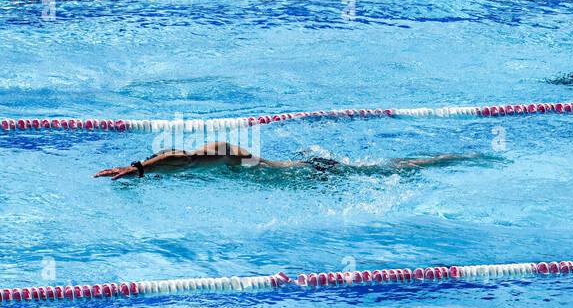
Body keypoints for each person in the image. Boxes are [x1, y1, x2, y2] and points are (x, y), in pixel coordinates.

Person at [94, 141, 483, 181]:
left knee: (389, 170)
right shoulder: (212, 164)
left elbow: (182, 159)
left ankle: (453, 159)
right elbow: (180, 162)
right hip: (307, 170)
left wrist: (142, 169)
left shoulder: (233, 156)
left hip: (314, 175)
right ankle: (448, 159)